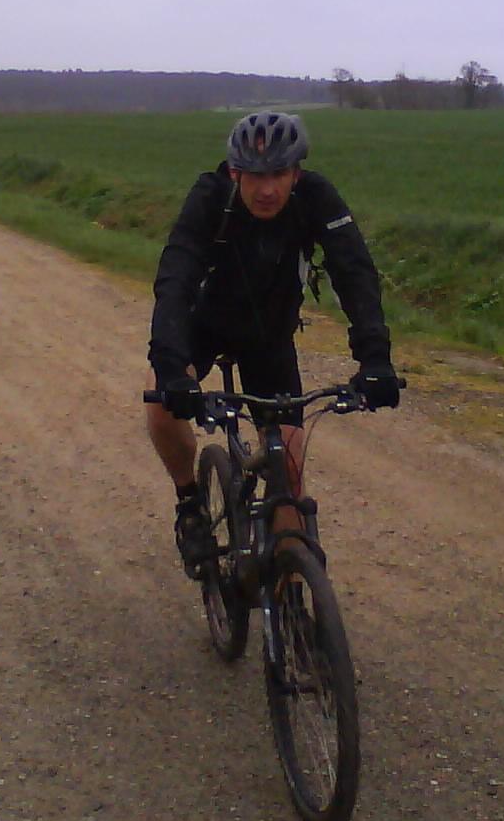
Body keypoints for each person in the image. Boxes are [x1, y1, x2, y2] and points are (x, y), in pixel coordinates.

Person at [145, 110, 400, 575]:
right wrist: (171, 367)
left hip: (269, 336)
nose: (267, 189)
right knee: (161, 405)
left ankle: (289, 590)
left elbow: (354, 272)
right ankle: (190, 504)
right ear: (235, 172)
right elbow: (175, 279)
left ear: (296, 172)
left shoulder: (316, 197)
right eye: (255, 175)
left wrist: (375, 359)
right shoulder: (210, 197)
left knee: (289, 472)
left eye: (278, 174)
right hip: (203, 326)